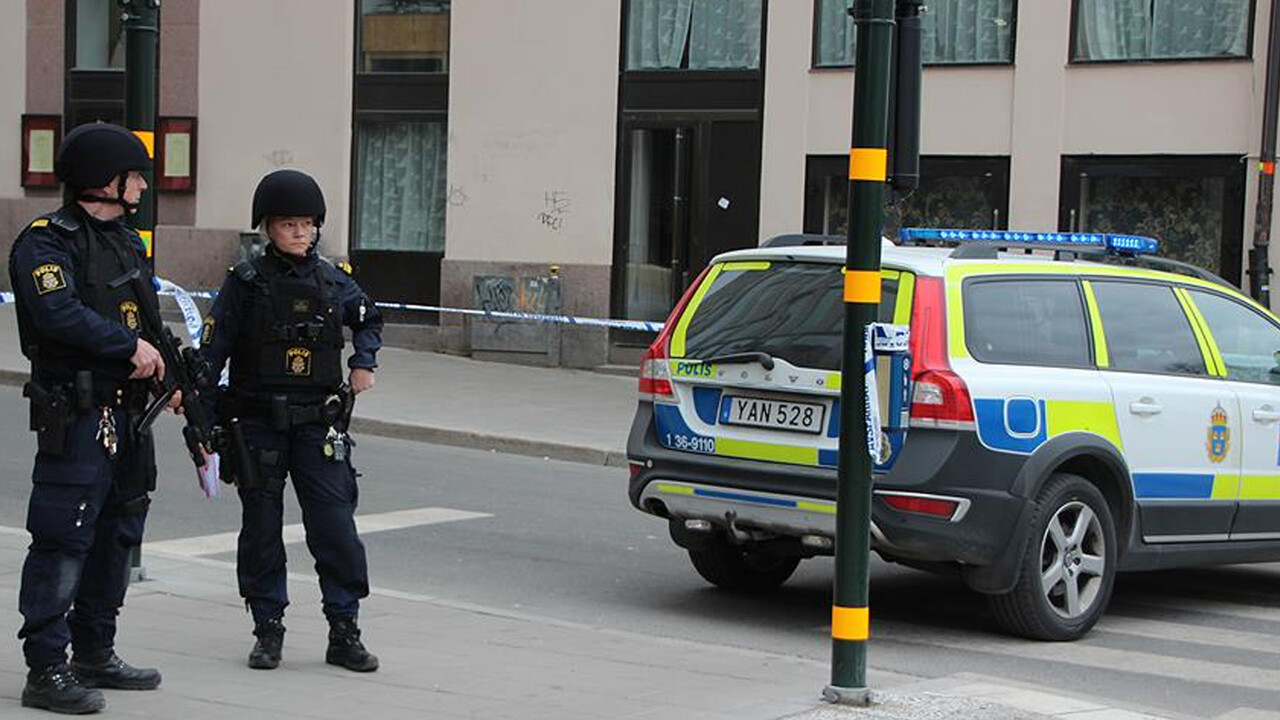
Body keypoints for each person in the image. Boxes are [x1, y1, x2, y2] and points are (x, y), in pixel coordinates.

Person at [9, 122, 178, 714]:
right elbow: (57, 313)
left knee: (118, 534)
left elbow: (146, 318)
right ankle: (46, 669)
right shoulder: (45, 242)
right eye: (135, 176)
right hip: (79, 414)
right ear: (106, 179)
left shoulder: (127, 241)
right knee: (63, 538)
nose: (141, 186)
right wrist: (127, 349)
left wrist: (170, 375)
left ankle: (94, 651)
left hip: (130, 417)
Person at [198, 169, 383, 672]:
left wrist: (363, 361)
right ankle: (267, 628)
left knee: (335, 528)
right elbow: (213, 349)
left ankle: (344, 629)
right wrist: (201, 410)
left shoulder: (332, 280)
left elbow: (368, 317)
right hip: (257, 422)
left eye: (306, 224)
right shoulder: (246, 284)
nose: (299, 234)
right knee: (261, 529)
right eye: (288, 225)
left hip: (317, 424)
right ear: (267, 229)